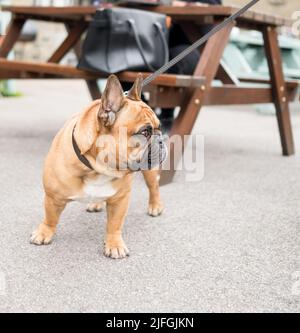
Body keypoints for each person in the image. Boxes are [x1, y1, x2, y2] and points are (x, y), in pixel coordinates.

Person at [159, 0, 222, 131]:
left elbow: (214, 6)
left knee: (175, 60)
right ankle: (141, 110)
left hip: (198, 47)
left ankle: (166, 116)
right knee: (132, 54)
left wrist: (179, 4)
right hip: (166, 42)